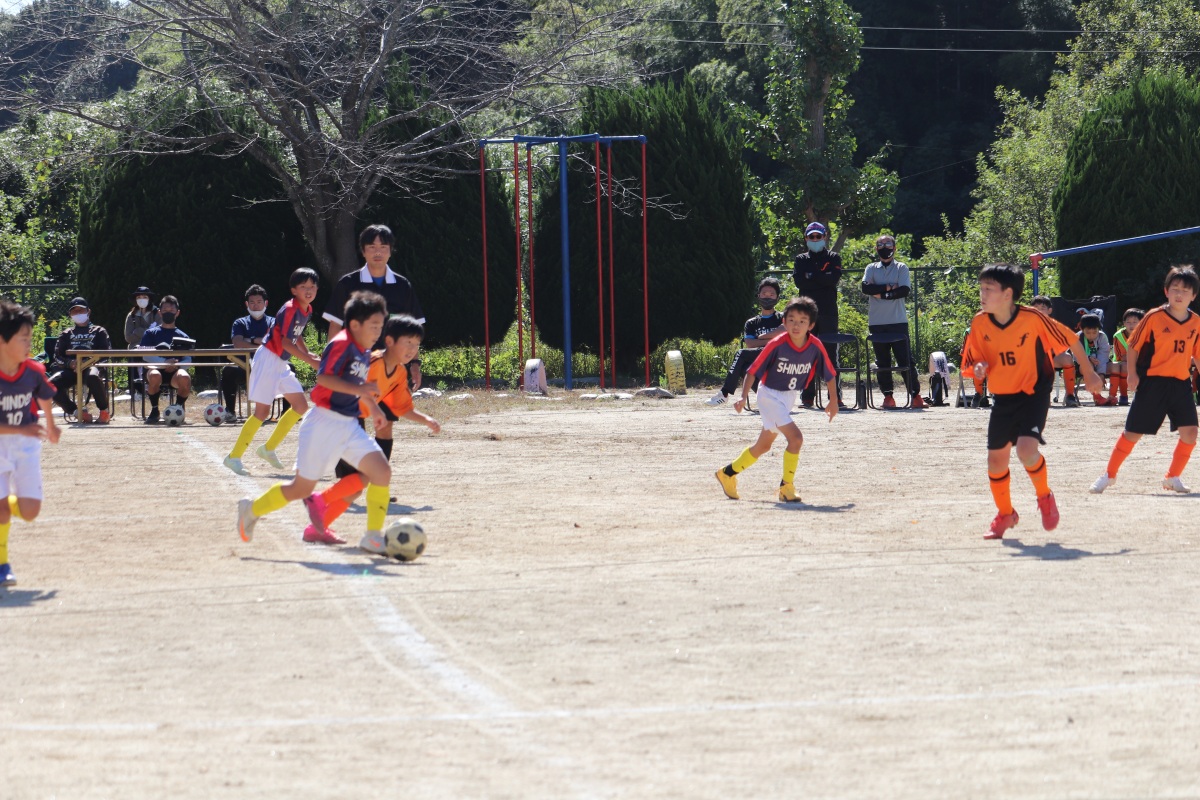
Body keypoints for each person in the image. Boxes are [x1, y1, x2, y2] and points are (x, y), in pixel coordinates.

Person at [236, 291, 393, 554]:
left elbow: (358, 387)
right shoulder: (341, 344)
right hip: (323, 423)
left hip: (348, 425)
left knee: (381, 472)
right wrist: (361, 390)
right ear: (355, 325)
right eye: (374, 326)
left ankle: (373, 537)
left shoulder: (364, 349)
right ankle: (251, 510)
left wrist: (374, 409)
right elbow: (324, 379)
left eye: (380, 325)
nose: (378, 332)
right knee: (300, 488)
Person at [961, 263, 1102, 540]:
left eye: (988, 289)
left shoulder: (1033, 318)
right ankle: (1006, 514)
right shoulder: (979, 322)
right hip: (1003, 396)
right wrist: (979, 367)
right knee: (995, 462)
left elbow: (1071, 339)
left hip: (1033, 393)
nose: (982, 294)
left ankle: (1044, 496)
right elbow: (977, 357)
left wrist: (1088, 372)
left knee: (1026, 451)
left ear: (1007, 294)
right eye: (981, 288)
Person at [302, 314, 441, 544]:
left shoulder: (399, 372)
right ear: (389, 341)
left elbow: (402, 407)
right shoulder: (370, 362)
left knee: (359, 483)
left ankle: (317, 525)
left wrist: (425, 419)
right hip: (341, 420)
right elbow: (346, 385)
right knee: (367, 477)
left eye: (416, 345)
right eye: (408, 342)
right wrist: (373, 409)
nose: (412, 349)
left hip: (352, 423)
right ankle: (319, 501)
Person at [715, 296, 838, 503]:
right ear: (784, 322)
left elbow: (830, 374)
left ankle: (727, 473)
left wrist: (833, 401)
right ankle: (786, 487)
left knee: (763, 446)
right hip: (769, 395)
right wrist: (743, 397)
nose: (796, 325)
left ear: (811, 325)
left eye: (802, 321)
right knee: (796, 439)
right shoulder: (777, 344)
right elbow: (752, 370)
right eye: (791, 320)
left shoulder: (815, 346)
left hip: (788, 396)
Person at [1090, 266, 1200, 495]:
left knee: (1190, 433)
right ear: (1166, 291)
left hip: (1181, 384)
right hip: (1153, 383)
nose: (1179, 294)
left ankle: (1172, 477)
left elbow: (1197, 354)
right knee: (1132, 433)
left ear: (1194, 295)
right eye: (1175, 288)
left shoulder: (1196, 322)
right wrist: (1132, 373)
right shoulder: (1154, 317)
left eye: (1185, 290)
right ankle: (1109, 475)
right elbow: (1133, 346)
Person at [224, 269, 322, 475]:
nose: (309, 290)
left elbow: (296, 335)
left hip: (280, 362)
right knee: (262, 412)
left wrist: (308, 353)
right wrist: (310, 361)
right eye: (303, 287)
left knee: (300, 405)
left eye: (312, 286)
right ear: (293, 290)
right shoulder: (290, 308)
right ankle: (233, 457)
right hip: (268, 359)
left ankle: (268, 449)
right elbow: (286, 342)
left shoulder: (307, 309)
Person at [0, 299, 61, 586]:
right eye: (23, 338)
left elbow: (44, 395)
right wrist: (21, 428)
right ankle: (3, 565)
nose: (29, 344)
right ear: (2, 341)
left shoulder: (33, 370)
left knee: (30, 512)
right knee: (2, 511)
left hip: (24, 447)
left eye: (30, 337)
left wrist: (51, 424)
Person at [323, 224, 425, 389]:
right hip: (354, 364)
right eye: (372, 247)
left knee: (389, 406)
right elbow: (335, 325)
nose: (378, 252)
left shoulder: (403, 286)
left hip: (392, 365)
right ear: (363, 251)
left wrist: (415, 364)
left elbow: (412, 330)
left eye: (383, 247)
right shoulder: (348, 284)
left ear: (390, 251)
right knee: (357, 405)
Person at [861, 234, 924, 409]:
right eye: (880, 244)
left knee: (906, 360)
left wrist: (881, 294)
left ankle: (915, 396)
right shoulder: (871, 268)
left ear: (894, 248)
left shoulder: (901, 267)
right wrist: (889, 288)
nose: (884, 247)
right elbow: (866, 288)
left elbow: (904, 291)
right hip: (877, 322)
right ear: (876, 249)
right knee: (882, 362)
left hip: (898, 321)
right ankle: (888, 397)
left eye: (888, 243)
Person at [705, 277, 784, 406]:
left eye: (771, 294)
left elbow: (786, 333)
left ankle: (724, 393)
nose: (767, 297)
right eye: (764, 294)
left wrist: (762, 337)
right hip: (760, 356)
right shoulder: (751, 323)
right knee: (744, 367)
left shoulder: (784, 317)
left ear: (777, 297)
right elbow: (750, 344)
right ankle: (768, 398)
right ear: (758, 296)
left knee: (741, 353)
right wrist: (773, 339)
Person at [792, 222, 842, 407]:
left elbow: (833, 280)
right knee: (806, 354)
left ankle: (835, 397)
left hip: (828, 312)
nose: (815, 239)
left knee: (830, 356)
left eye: (818, 236)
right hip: (806, 315)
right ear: (806, 238)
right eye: (811, 236)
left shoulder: (834, 257)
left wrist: (811, 276)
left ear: (824, 237)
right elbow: (800, 283)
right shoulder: (800, 259)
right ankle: (807, 397)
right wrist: (822, 276)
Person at [48, 296, 112, 423]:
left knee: (93, 376)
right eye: (74, 311)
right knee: (49, 385)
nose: (78, 313)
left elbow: (106, 354)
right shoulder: (66, 334)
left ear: (88, 311)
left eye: (81, 310)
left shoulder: (99, 331)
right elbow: (57, 356)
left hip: (92, 367)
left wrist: (88, 363)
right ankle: (76, 412)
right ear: (70, 314)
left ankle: (104, 411)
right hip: (72, 369)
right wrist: (70, 363)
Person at [219, 284, 275, 424]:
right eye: (252, 302)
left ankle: (287, 413)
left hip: (268, 366)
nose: (256, 306)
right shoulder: (240, 323)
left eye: (259, 302)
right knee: (228, 370)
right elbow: (237, 343)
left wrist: (248, 340)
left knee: (290, 368)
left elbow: (275, 343)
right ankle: (230, 412)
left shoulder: (274, 322)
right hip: (244, 366)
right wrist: (257, 341)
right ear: (246, 304)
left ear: (266, 303)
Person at [138, 295, 193, 424]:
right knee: (155, 375)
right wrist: (164, 363)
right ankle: (154, 410)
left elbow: (188, 359)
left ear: (177, 313)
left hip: (176, 372)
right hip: (154, 369)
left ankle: (177, 409)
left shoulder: (183, 336)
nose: (168, 313)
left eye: (172, 310)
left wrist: (176, 365)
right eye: (165, 310)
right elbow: (145, 355)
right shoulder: (150, 333)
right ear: (159, 312)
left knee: (185, 377)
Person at [1030, 295, 1079, 407]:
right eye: (1036, 308)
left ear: (1050, 310)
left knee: (1067, 358)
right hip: (1032, 359)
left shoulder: (1056, 326)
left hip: (1052, 356)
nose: (1039, 311)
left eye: (1042, 308)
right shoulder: (1026, 326)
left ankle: (1070, 395)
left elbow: (1063, 346)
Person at [1109, 308, 1144, 407]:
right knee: (1125, 366)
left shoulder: (1145, 334)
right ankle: (1123, 396)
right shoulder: (1118, 336)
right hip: (1123, 363)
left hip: (1141, 361)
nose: (1131, 325)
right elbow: (1122, 357)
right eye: (1128, 322)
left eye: (1134, 322)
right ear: (1124, 323)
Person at [1076, 313, 1112, 406]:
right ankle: (1097, 396)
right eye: (1088, 333)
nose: (1091, 335)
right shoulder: (1077, 337)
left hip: (1100, 363)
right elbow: (1076, 355)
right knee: (1088, 364)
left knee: (1115, 367)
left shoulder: (1102, 337)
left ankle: (1113, 396)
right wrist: (1088, 358)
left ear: (1099, 329)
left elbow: (1103, 356)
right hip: (1080, 365)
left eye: (1094, 332)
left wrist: (1101, 374)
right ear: (1082, 329)